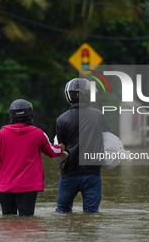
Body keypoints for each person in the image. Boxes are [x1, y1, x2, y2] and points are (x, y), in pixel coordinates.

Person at [0, 99, 65, 216]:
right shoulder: (38, 133)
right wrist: (61, 147)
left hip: (4, 187)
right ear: (30, 115)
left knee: (7, 224)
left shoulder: (1, 134)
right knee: (27, 222)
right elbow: (51, 152)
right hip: (28, 188)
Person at [55, 78, 112, 213]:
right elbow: (109, 138)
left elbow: (61, 148)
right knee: (91, 213)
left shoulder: (61, 119)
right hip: (92, 173)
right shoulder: (98, 115)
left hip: (69, 174)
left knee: (62, 211)